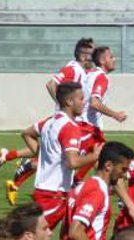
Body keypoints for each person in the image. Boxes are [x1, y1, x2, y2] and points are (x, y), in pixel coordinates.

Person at [0, 37, 95, 204]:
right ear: (84, 56)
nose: (95, 57)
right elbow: (50, 84)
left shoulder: (83, 72)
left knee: (57, 154)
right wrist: (64, 105)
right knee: (81, 154)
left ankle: (11, 158)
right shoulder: (73, 69)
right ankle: (28, 170)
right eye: (92, 53)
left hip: (72, 120)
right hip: (66, 121)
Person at [55, 141, 134, 240]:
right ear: (108, 166)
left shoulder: (81, 187)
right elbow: (75, 232)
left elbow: (63, 232)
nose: (124, 175)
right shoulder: (96, 191)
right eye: (123, 169)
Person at [30, 81, 100, 230]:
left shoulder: (49, 122)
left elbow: (27, 133)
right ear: (69, 101)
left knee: (74, 234)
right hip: (54, 195)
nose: (84, 102)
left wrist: (42, 154)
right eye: (81, 99)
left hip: (47, 190)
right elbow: (72, 162)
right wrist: (96, 156)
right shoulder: (70, 127)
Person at [76, 45, 126, 181]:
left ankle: (98, 184)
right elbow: (94, 102)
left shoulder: (90, 74)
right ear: (103, 61)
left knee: (98, 156)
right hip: (87, 127)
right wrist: (115, 115)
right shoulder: (102, 77)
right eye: (111, 57)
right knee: (101, 155)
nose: (114, 59)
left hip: (84, 124)